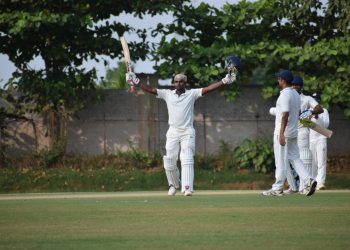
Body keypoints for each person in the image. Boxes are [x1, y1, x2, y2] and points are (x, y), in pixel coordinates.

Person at [126, 56, 241, 196]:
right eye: (176, 81)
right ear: (173, 83)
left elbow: (208, 89)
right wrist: (136, 81)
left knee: (186, 157)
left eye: (181, 81)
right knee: (169, 160)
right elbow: (150, 90)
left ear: (185, 83)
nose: (179, 83)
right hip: (173, 131)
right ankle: (173, 185)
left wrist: (224, 81)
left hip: (187, 131)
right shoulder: (167, 94)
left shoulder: (192, 94)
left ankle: (187, 188)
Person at [262, 70, 317, 196]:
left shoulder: (285, 95)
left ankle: (277, 188)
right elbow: (295, 114)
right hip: (293, 132)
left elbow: (285, 115)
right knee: (295, 158)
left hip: (283, 133)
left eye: (279, 79)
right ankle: (309, 180)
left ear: (283, 80)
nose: (278, 80)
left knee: (280, 160)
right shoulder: (296, 95)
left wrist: (281, 133)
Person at [283, 76, 324, 195]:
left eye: (297, 85)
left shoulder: (305, 98)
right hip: (291, 132)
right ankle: (294, 186)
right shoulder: (290, 97)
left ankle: (303, 187)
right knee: (288, 159)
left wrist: (307, 113)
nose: (296, 87)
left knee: (303, 157)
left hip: (300, 132)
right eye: (294, 85)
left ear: (301, 87)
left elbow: (319, 109)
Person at [310, 92, 330, 190]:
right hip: (311, 139)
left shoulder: (324, 111)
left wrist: (318, 118)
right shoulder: (308, 111)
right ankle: (313, 182)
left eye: (317, 100)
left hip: (321, 138)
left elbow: (326, 125)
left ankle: (321, 182)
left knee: (321, 161)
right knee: (312, 161)